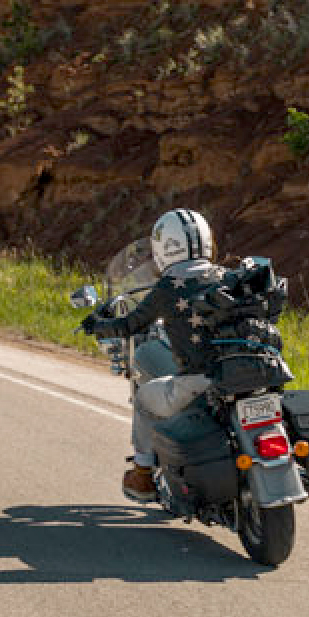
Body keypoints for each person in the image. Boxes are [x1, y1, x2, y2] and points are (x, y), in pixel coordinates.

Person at [79, 209, 231, 503]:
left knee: (146, 400)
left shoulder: (168, 287)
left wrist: (96, 325)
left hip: (200, 378)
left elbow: (129, 324)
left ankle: (143, 476)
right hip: (240, 373)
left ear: (165, 247)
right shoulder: (229, 277)